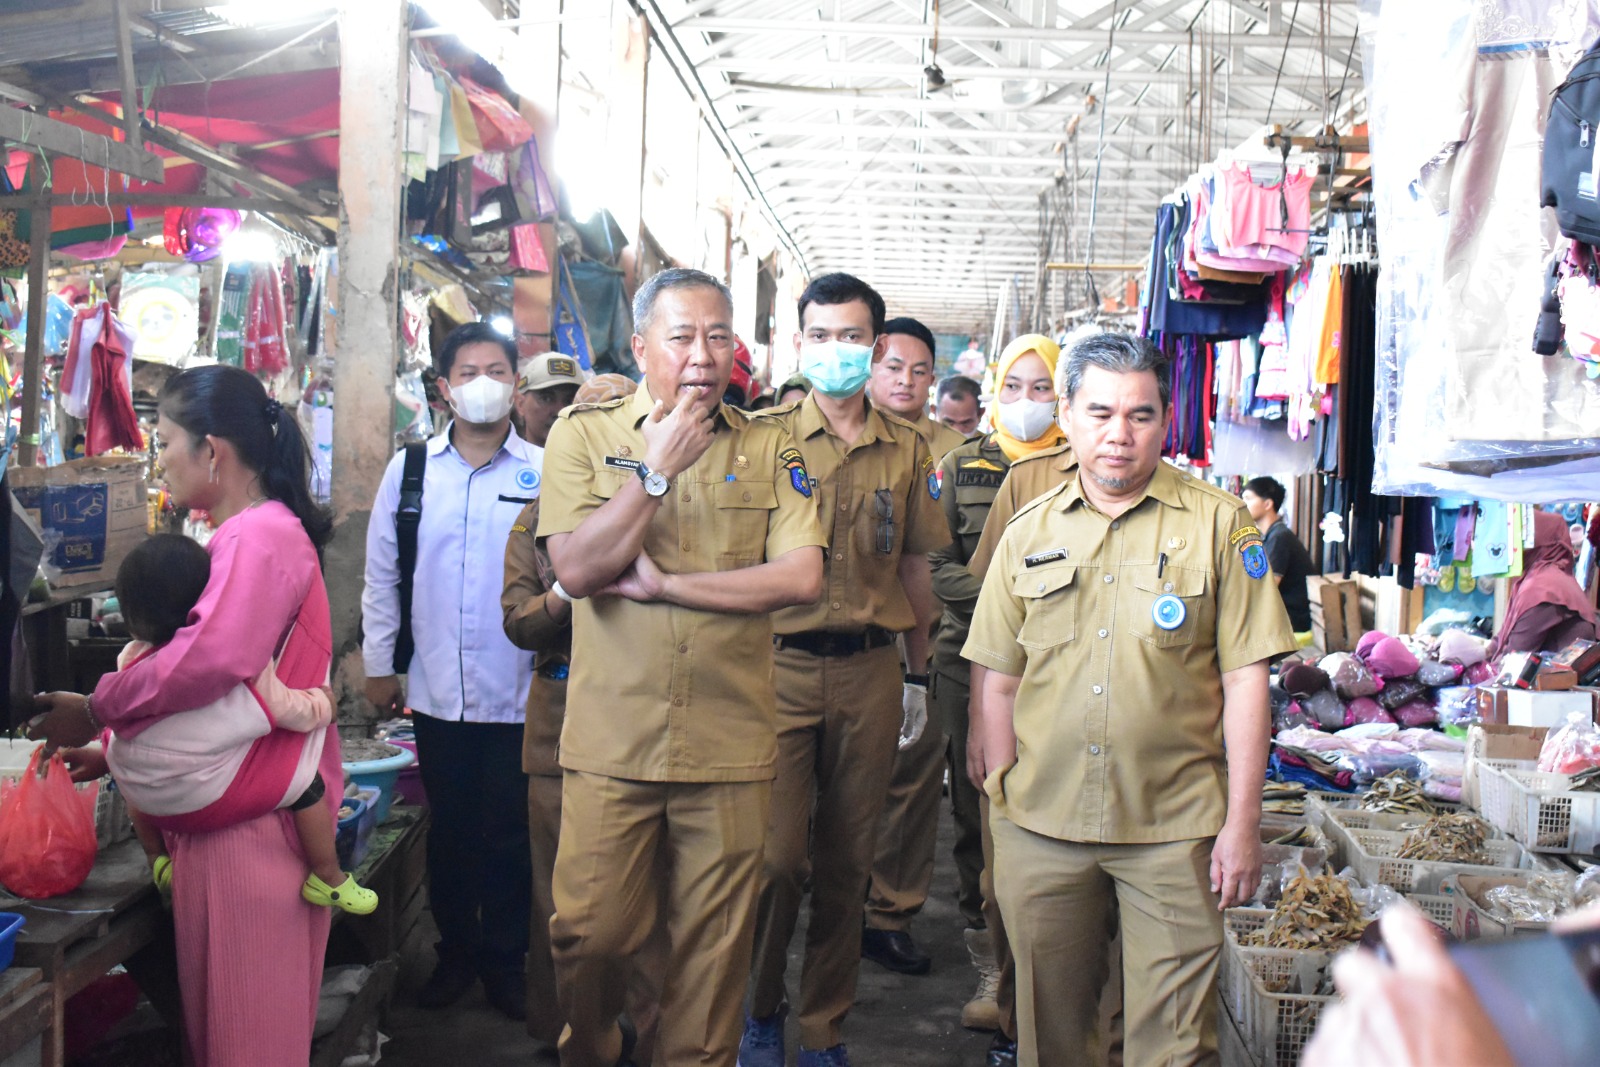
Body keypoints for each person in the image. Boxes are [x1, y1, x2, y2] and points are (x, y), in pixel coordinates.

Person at [963, 333, 1297, 1066]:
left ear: (1165, 419)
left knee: (1175, 1047)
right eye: (1101, 412)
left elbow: (1248, 680)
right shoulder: (1029, 532)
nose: (1120, 434)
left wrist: (1243, 824)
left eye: (1140, 415)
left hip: (1174, 831)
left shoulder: (1218, 524)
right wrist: (1002, 796)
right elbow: (999, 673)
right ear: (1070, 418)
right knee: (1051, 1037)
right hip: (1042, 827)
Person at [538, 267, 825, 1067]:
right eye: (682, 336)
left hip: (728, 744)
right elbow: (579, 570)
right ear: (639, 347)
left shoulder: (772, 442)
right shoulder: (585, 436)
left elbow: (801, 576)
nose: (704, 355)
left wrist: (671, 585)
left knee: (712, 962)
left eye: (719, 336)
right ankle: (594, 1045)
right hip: (612, 741)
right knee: (588, 935)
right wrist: (654, 473)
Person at [30, 364, 339, 1066]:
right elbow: (216, 700)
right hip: (233, 825)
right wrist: (113, 747)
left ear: (212, 451)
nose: (159, 456)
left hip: (248, 837)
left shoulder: (257, 538)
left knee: (244, 1043)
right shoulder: (242, 535)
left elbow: (207, 665)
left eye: (165, 440)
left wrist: (99, 707)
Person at [742, 273, 950, 1067]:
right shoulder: (763, 439)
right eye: (821, 336)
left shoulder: (907, 450)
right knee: (773, 860)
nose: (838, 352)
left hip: (869, 672)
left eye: (853, 337)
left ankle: (823, 1026)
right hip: (776, 666)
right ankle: (760, 1008)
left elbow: (916, 568)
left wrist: (919, 676)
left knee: (846, 860)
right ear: (800, 343)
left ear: (876, 345)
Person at [362, 321, 540, 1019]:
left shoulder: (545, 469)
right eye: (467, 372)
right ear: (443, 388)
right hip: (436, 689)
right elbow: (383, 574)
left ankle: (506, 959)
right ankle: (456, 951)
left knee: (510, 830)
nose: (483, 384)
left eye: (496, 369)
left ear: (516, 383)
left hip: (520, 688)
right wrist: (382, 666)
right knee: (452, 827)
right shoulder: (409, 471)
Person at [500, 371, 663, 1057]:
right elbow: (519, 621)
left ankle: (649, 1028)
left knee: (650, 899)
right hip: (561, 730)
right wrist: (574, 585)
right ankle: (563, 1026)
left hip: (644, 721)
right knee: (561, 903)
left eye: (610, 413)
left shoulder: (668, 503)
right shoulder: (535, 519)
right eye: (580, 415)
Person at [107, 534, 375, 915]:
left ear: (131, 620)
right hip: (202, 791)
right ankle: (328, 875)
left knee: (129, 767)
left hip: (146, 794)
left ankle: (157, 858)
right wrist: (324, 706)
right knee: (305, 786)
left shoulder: (130, 658)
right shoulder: (234, 659)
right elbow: (287, 708)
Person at [925, 335, 1064, 1052]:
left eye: (1045, 387)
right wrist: (1009, 598)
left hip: (1059, 669)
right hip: (968, 661)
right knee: (979, 808)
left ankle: (1042, 980)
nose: (1030, 402)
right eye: (1017, 386)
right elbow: (933, 563)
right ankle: (993, 969)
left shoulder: (1086, 462)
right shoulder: (962, 464)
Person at [1487, 509, 1597, 659]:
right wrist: (1485, 650)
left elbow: (1515, 654)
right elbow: (1509, 635)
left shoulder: (1543, 587)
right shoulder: (1550, 579)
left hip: (1555, 679)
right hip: (1557, 677)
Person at [870, 316, 967, 458]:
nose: (907, 381)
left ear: (930, 380)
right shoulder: (840, 441)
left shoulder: (959, 450)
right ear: (867, 373)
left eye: (919, 372)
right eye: (894, 368)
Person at [1241, 475, 1317, 649]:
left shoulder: (1279, 537)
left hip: (1293, 619)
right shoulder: (1271, 535)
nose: (1242, 504)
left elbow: (1267, 587)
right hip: (1283, 615)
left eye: (1248, 498)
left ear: (1267, 504)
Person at [514, 352, 584, 448]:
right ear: (520, 404)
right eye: (546, 399)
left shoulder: (597, 460)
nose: (559, 411)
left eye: (569, 401)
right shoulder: (502, 461)